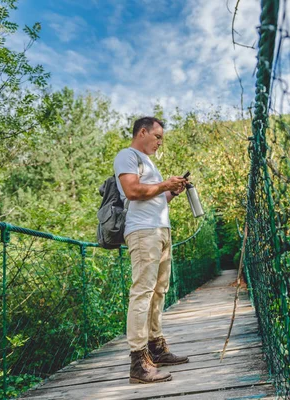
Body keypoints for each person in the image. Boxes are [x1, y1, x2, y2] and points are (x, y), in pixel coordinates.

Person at [114, 116, 189, 384]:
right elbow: (133, 191)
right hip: (143, 232)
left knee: (159, 292)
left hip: (160, 231)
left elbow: (156, 197)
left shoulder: (149, 162)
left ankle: (156, 348)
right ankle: (138, 361)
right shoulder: (128, 156)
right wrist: (164, 185)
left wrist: (173, 191)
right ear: (142, 132)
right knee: (142, 293)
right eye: (157, 137)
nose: (159, 142)